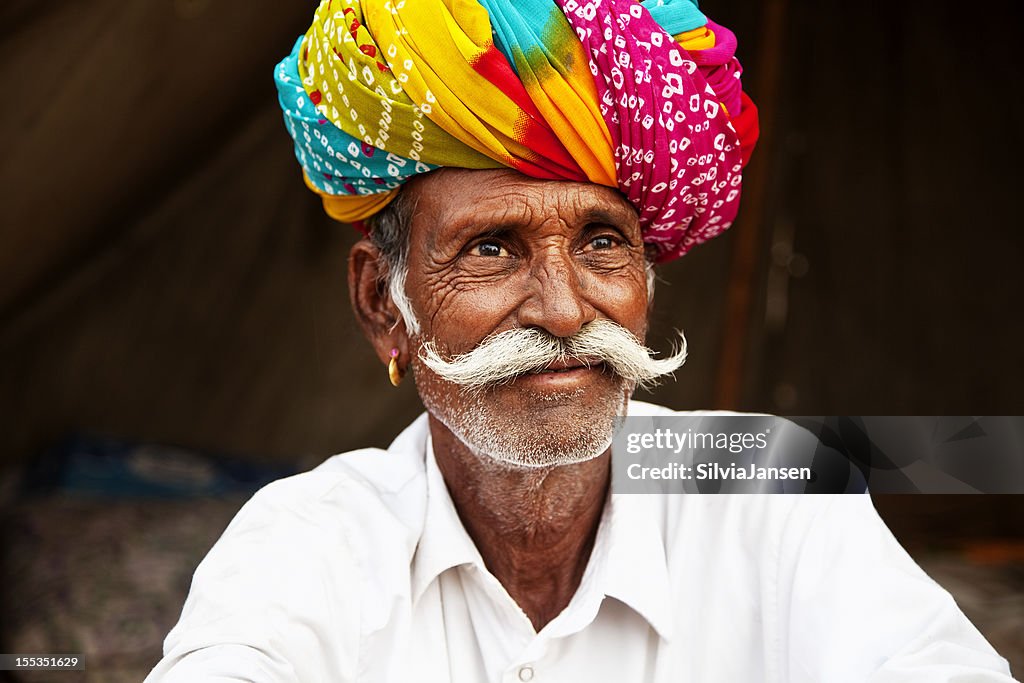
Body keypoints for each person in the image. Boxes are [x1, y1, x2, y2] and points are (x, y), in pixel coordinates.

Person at [147, 0, 1016, 680]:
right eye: (492, 248)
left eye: (602, 242)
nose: (564, 311)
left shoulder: (766, 483)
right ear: (384, 303)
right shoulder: (309, 542)